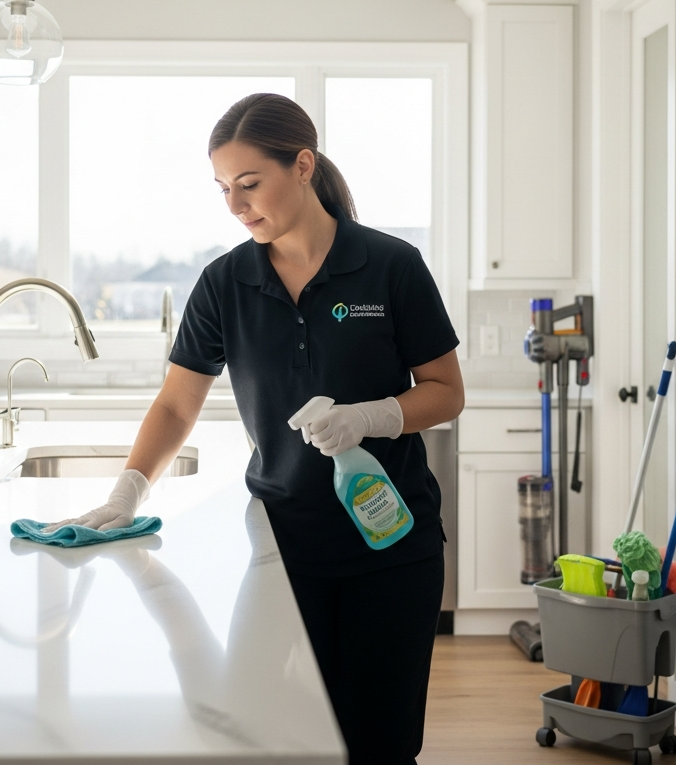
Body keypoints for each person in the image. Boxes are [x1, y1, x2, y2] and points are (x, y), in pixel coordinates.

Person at [53, 92, 465, 764]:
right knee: (253, 730)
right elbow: (176, 404)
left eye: (250, 184)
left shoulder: (390, 266)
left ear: (302, 166)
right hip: (281, 543)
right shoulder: (225, 283)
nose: (236, 205)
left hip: (391, 541)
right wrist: (129, 491)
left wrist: (373, 416)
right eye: (223, 188)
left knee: (380, 745)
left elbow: (446, 392)